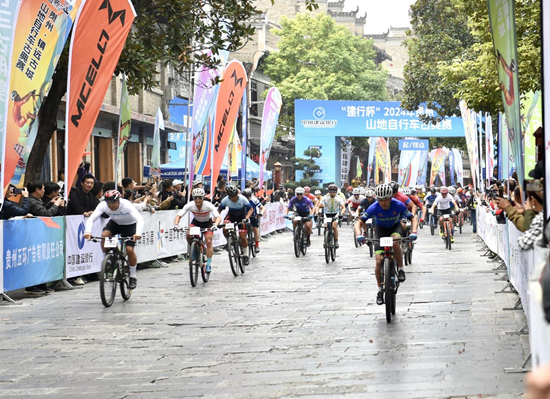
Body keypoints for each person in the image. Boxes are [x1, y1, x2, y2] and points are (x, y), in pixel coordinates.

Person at [355, 183, 417, 305]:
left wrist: (414, 231)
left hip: (395, 227)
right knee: (378, 261)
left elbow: (412, 218)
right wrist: (358, 234)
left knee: (394, 242)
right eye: (380, 200)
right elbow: (359, 222)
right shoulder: (373, 207)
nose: (383, 203)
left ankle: (400, 269)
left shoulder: (398, 204)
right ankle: (379, 290)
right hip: (380, 230)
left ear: (390, 198)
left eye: (386, 200)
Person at [83, 190, 143, 290]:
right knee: (104, 235)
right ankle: (109, 259)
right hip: (115, 223)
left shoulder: (126, 205)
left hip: (130, 225)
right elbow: (92, 218)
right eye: (109, 203)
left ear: (119, 201)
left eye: (114, 203)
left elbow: (139, 219)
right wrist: (87, 231)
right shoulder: (103, 205)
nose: (111, 206)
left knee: (129, 250)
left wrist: (138, 233)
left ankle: (133, 276)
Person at [174, 188, 221, 273]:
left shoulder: (208, 205)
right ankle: (194, 250)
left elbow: (218, 217)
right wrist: (176, 225)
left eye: (200, 198)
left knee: (209, 241)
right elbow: (178, 216)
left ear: (203, 198)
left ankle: (208, 264)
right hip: (196, 222)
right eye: (195, 198)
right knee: (188, 234)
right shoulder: (190, 205)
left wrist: (215, 225)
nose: (198, 200)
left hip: (207, 223)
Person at [218, 185, 254, 265]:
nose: (233, 199)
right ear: (228, 196)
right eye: (231, 197)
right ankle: (229, 240)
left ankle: (245, 255)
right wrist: (216, 219)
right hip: (231, 215)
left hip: (241, 217)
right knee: (225, 226)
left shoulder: (243, 199)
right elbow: (219, 210)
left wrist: (247, 218)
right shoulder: (225, 200)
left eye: (235, 196)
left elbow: (251, 209)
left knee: (242, 236)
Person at [314, 184, 346, 248]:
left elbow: (343, 207)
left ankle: (336, 241)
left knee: (334, 226)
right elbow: (318, 206)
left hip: (335, 213)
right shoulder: (325, 197)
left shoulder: (339, 198)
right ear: (328, 191)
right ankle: (325, 240)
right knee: (326, 227)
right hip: (327, 214)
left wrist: (341, 214)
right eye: (330, 191)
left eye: (334, 191)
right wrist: (317, 213)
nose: (332, 193)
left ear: (336, 192)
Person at [242, 188, 264, 252]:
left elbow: (262, 208)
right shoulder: (241, 199)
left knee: (255, 228)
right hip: (245, 216)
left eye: (248, 197)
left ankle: (257, 245)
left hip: (253, 215)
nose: (247, 198)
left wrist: (261, 214)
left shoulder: (254, 199)